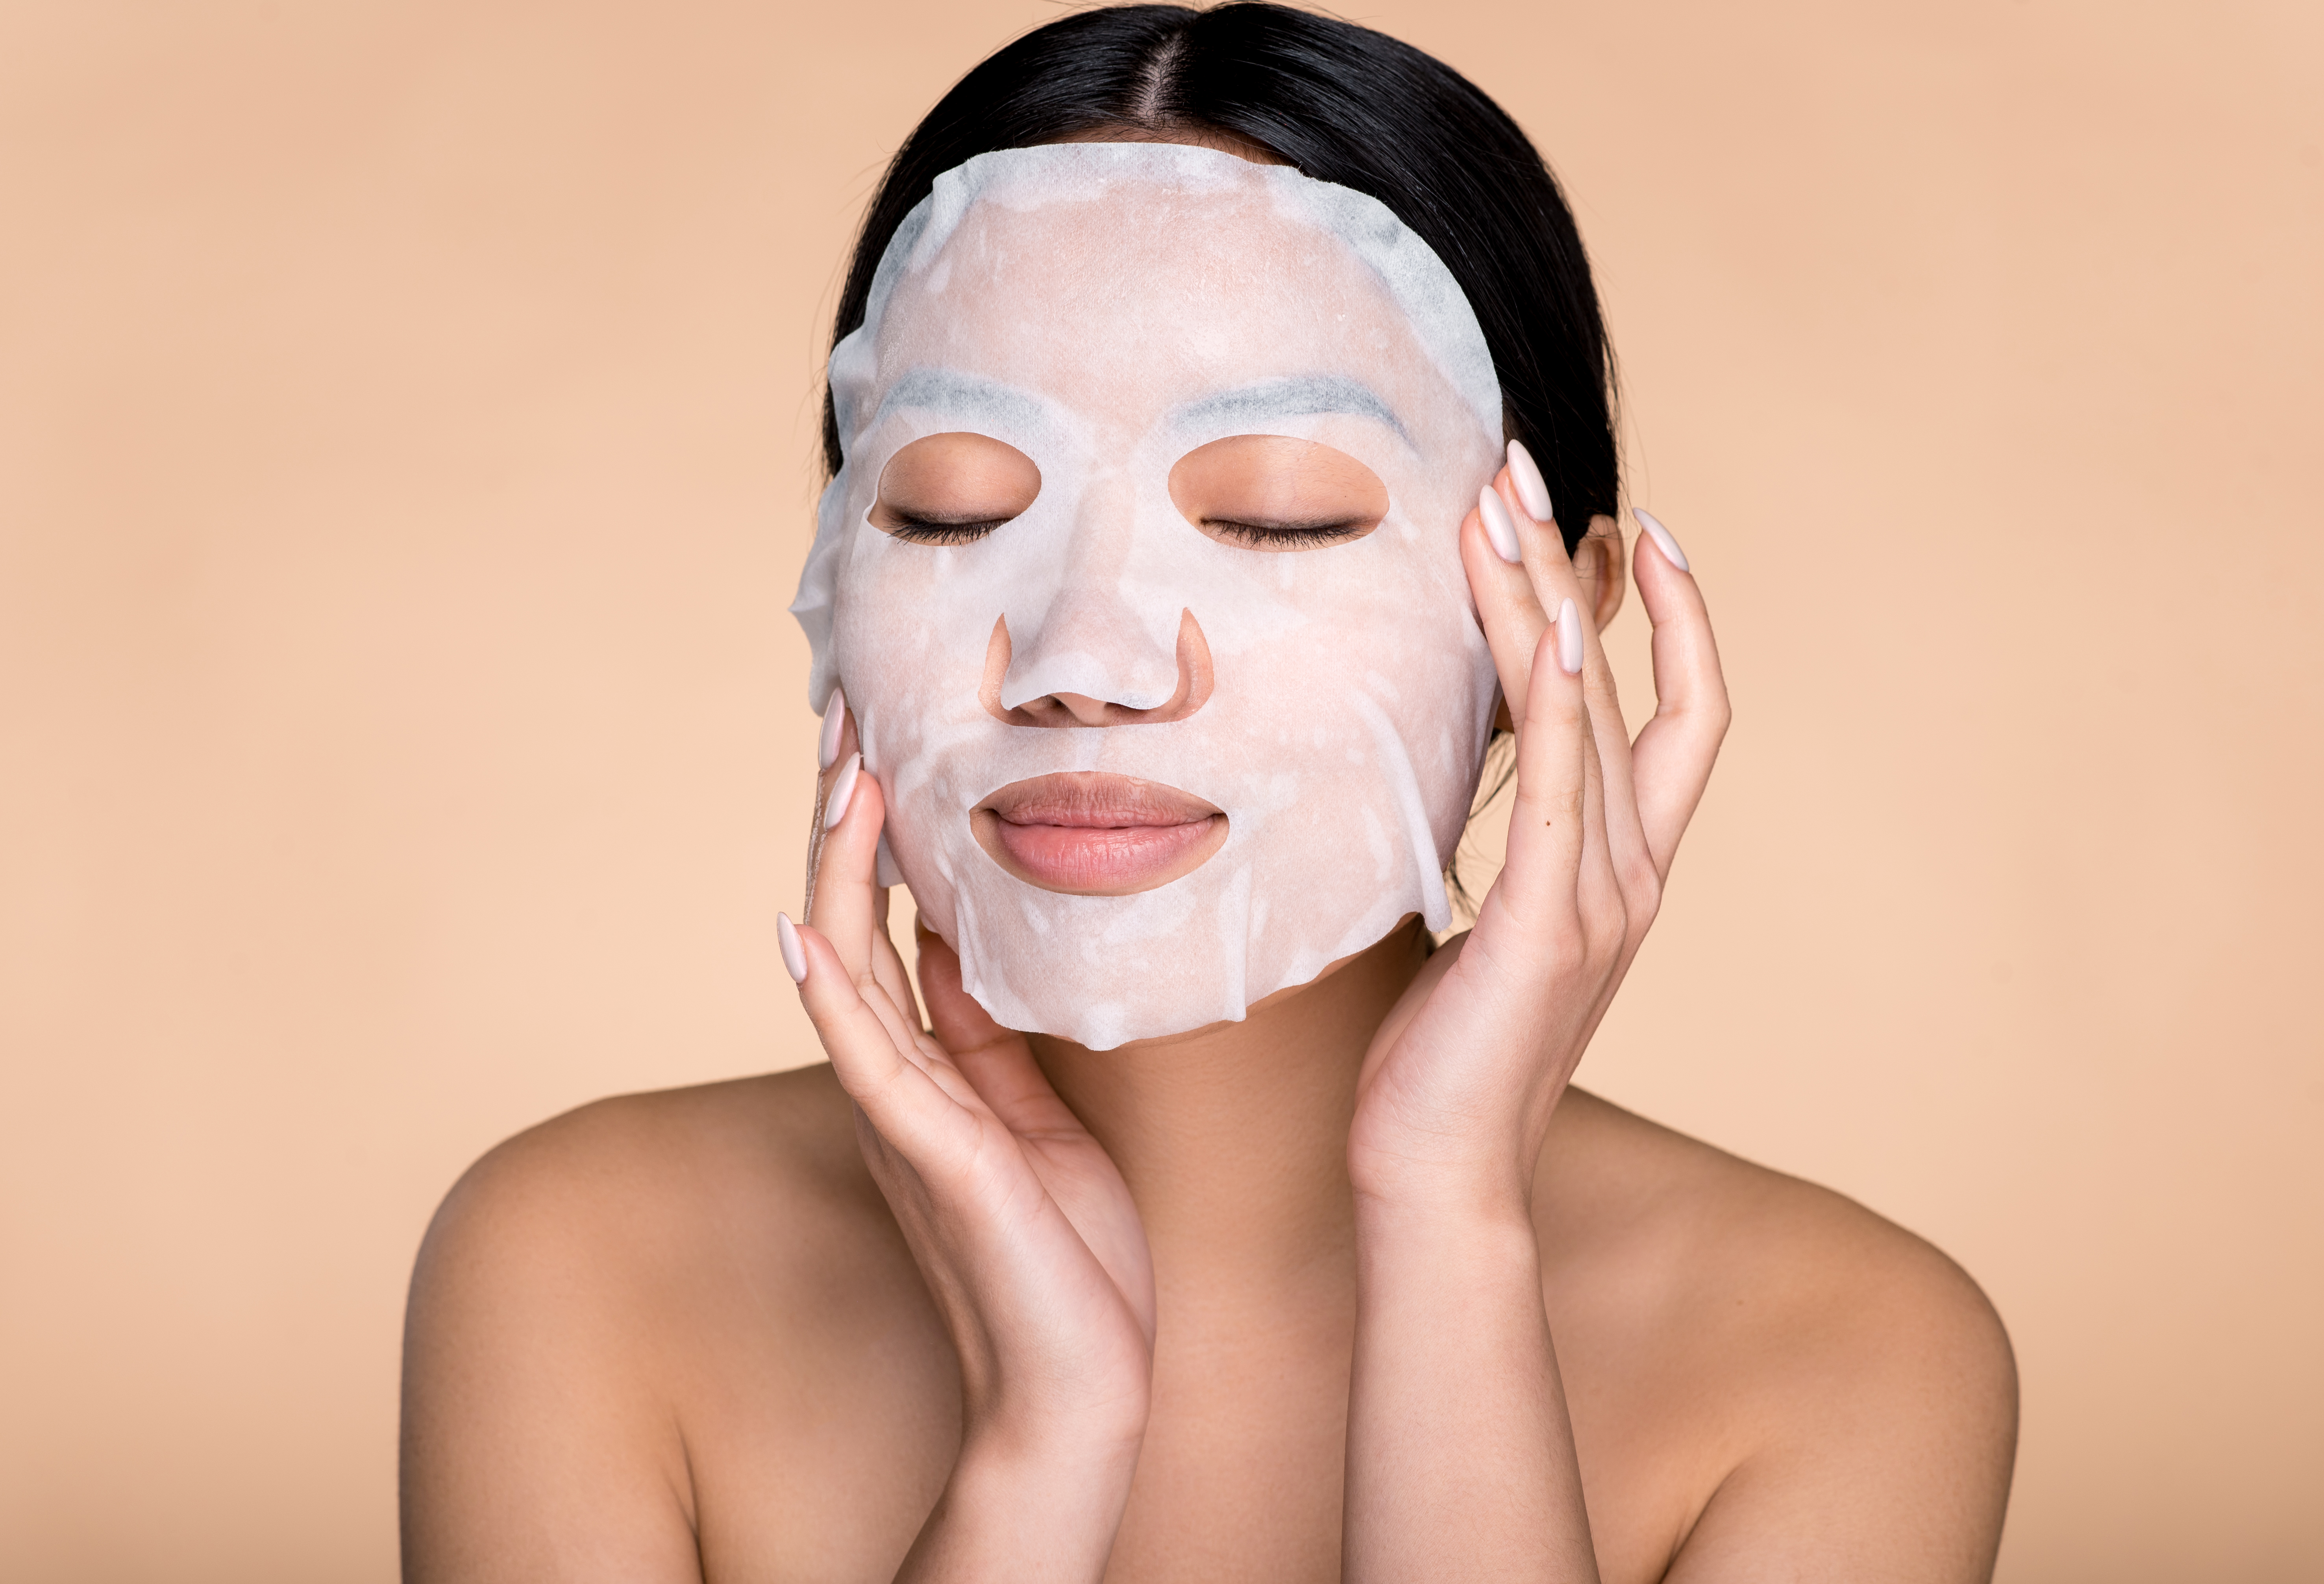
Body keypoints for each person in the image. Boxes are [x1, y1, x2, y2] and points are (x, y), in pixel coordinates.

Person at [399, 6, 2018, 1579]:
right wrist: (1041, 1453)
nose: (1083, 660)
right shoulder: (575, 1265)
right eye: (952, 511)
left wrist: (1448, 1220)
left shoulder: (1844, 1349)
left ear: (1561, 615)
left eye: (1279, 517)